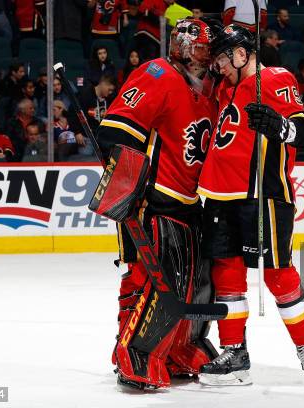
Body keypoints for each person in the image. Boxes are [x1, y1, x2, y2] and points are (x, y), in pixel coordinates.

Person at [94, 17, 222, 389]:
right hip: (152, 199)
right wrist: (129, 190)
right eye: (201, 48)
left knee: (196, 283)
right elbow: (118, 129)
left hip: (191, 201)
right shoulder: (157, 74)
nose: (206, 56)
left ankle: (182, 346)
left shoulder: (210, 87)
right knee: (152, 278)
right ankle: (135, 351)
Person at [196, 24, 304, 386]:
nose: (219, 64)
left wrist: (280, 127)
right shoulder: (223, 86)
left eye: (224, 57)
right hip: (219, 194)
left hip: (263, 192)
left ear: (241, 55)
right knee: (228, 274)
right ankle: (235, 350)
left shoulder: (275, 78)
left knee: (278, 274)